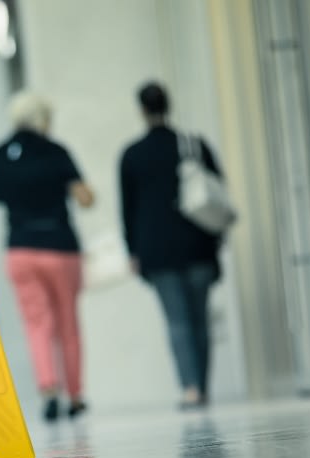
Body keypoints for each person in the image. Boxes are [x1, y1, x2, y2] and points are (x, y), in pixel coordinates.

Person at [0, 91, 95, 422]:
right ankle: (75, 396)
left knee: (37, 323)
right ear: (43, 120)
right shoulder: (56, 151)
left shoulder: (1, 155)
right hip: (60, 247)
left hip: (20, 249)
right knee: (67, 324)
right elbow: (84, 197)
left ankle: (48, 389)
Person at [119, 82, 225, 409]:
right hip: (198, 245)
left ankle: (190, 388)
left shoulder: (132, 155)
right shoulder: (194, 146)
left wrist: (132, 251)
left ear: (142, 109)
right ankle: (201, 386)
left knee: (178, 321)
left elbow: (128, 209)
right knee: (199, 319)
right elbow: (219, 194)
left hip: (158, 252)